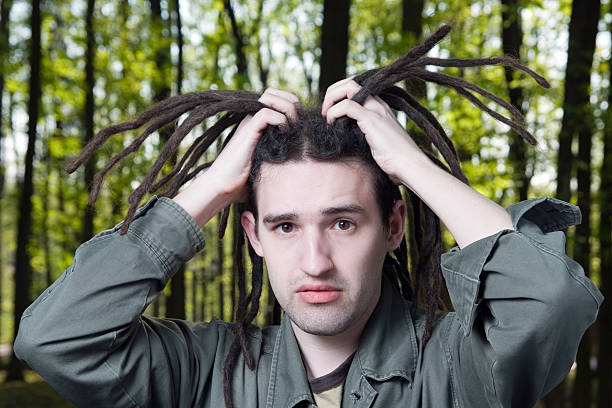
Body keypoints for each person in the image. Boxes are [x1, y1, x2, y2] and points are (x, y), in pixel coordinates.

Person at [14, 26, 602, 408]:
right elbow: (55, 339)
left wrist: (414, 168)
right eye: (285, 225)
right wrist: (215, 184)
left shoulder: (458, 366)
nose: (315, 261)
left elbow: (551, 300)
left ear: (393, 227)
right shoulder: (202, 371)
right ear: (254, 235)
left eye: (343, 222)